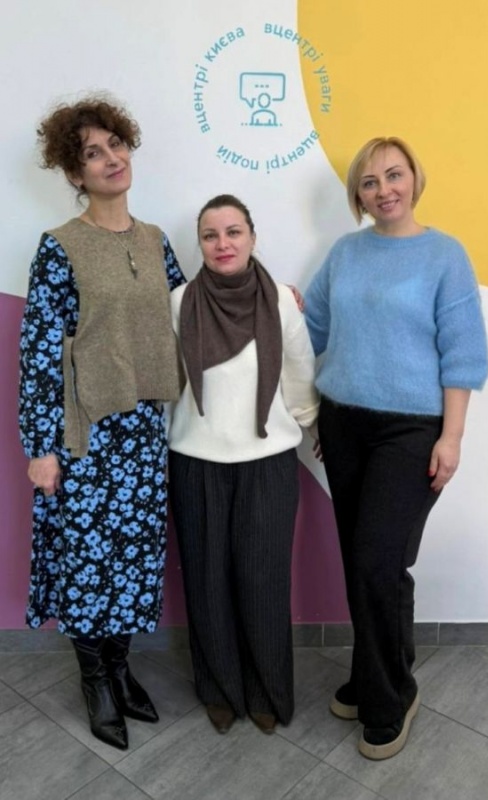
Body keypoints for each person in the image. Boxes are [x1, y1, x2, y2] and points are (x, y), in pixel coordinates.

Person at [304, 137, 488, 760]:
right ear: (357, 195)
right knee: (371, 563)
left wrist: (451, 437)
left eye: (394, 175)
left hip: (411, 431)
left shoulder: (445, 255)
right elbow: (312, 330)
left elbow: (464, 353)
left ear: (414, 179)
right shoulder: (345, 253)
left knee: (375, 562)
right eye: (369, 181)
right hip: (342, 424)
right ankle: (372, 674)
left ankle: (389, 698)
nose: (383, 189)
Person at [19, 96, 186, 750]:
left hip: (143, 433)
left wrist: (266, 295)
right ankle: (96, 682)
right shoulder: (60, 247)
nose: (112, 158)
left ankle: (120, 669)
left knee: (134, 560)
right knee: (89, 562)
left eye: (116, 143)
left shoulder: (155, 240)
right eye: (93, 152)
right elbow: (39, 353)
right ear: (74, 172)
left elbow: (188, 311)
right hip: (85, 434)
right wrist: (41, 448)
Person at [168, 194, 319, 735]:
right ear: (200, 244)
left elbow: (299, 372)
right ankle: (219, 690)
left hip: (268, 462)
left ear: (253, 237)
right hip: (195, 461)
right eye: (210, 235)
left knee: (264, 583)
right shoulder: (179, 301)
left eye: (233, 232)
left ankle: (266, 692)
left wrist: (312, 425)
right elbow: (168, 385)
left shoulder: (279, 300)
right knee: (206, 583)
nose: (223, 243)